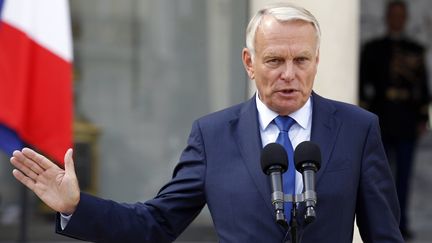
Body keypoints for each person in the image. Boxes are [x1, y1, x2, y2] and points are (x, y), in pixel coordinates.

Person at [10, 3, 404, 242]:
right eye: (274, 61)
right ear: (250, 63)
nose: (289, 74)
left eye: (301, 60)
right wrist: (77, 206)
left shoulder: (357, 129)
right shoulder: (214, 136)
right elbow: (156, 224)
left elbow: (384, 236)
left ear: (316, 61)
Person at [359, 1, 430, 239]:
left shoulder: (415, 49)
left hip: (407, 122)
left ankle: (402, 223)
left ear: (406, 18)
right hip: (381, 120)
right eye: (393, 15)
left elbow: (423, 89)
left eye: (401, 15)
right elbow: (363, 88)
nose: (397, 19)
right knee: (379, 176)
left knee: (404, 178)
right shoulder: (373, 48)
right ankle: (383, 223)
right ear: (387, 17)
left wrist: (422, 118)